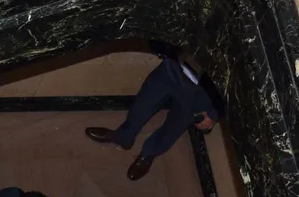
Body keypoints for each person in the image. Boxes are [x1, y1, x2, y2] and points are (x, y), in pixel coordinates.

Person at [85, 51, 224, 180]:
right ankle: (124, 137)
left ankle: (149, 153)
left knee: (173, 127)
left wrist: (214, 113)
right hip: (173, 66)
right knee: (142, 105)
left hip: (203, 92)